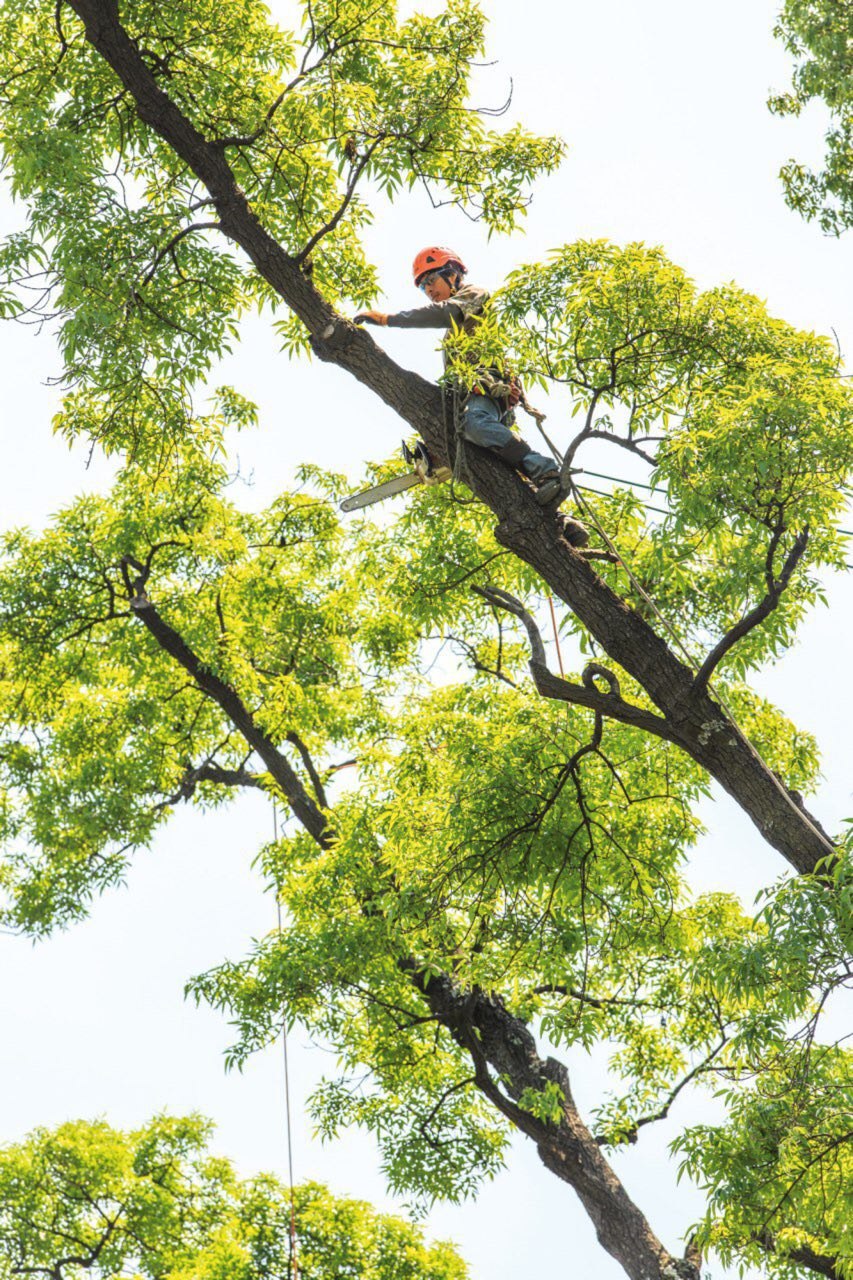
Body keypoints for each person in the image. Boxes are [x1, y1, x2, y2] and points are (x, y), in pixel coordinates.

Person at [354, 247, 587, 535]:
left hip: (485, 390)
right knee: (500, 463)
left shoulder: (473, 295)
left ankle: (546, 470)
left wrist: (387, 319)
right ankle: (563, 523)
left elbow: (444, 313)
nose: (428, 290)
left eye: (431, 281)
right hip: (469, 398)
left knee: (475, 424)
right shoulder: (454, 335)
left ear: (451, 274)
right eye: (423, 287)